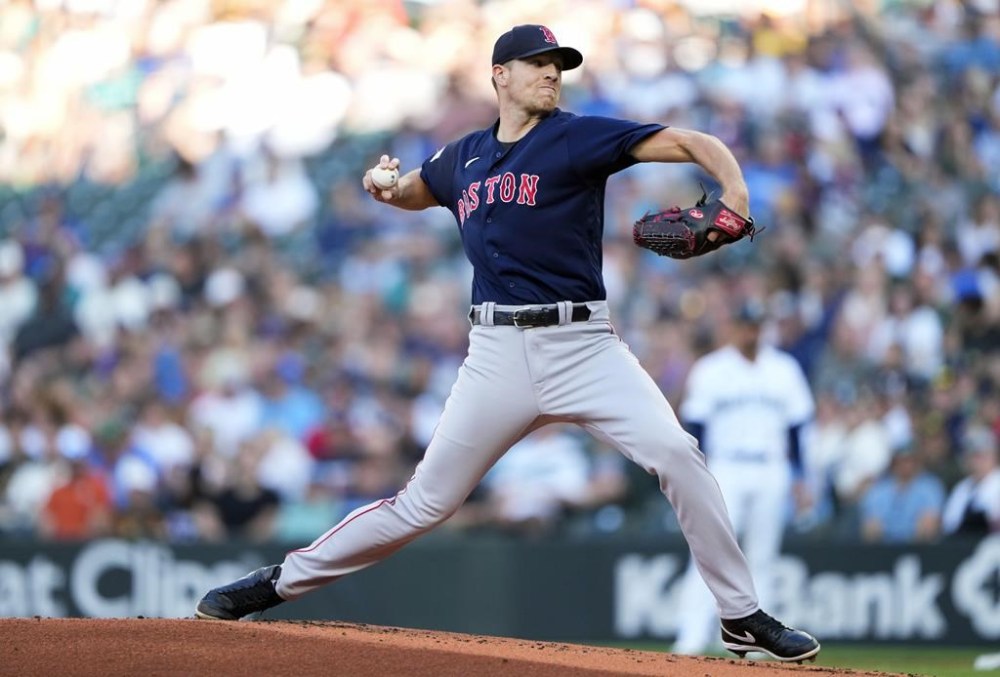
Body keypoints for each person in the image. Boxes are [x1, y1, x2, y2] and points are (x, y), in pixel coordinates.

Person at [195, 24, 820, 663]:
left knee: (678, 455)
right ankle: (277, 583)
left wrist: (736, 193)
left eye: (558, 65)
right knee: (423, 504)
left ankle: (740, 615)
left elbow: (692, 141)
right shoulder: (462, 156)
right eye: (537, 63)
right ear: (500, 75)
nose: (551, 74)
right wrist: (384, 187)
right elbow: (417, 190)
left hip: (584, 346)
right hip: (496, 353)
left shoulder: (575, 136)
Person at [672, 300, 816, 656]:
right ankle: (691, 634)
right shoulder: (711, 369)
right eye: (744, 324)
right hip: (725, 468)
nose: (750, 331)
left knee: (763, 557)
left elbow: (798, 428)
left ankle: (754, 641)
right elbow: (696, 427)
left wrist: (800, 477)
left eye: (755, 324)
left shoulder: (784, 368)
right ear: (733, 327)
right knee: (710, 551)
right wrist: (696, 476)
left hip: (772, 466)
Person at [941, 424, 1000, 538]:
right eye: (974, 456)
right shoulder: (962, 488)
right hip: (962, 548)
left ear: (995, 456)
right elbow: (949, 525)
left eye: (983, 456)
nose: (978, 462)